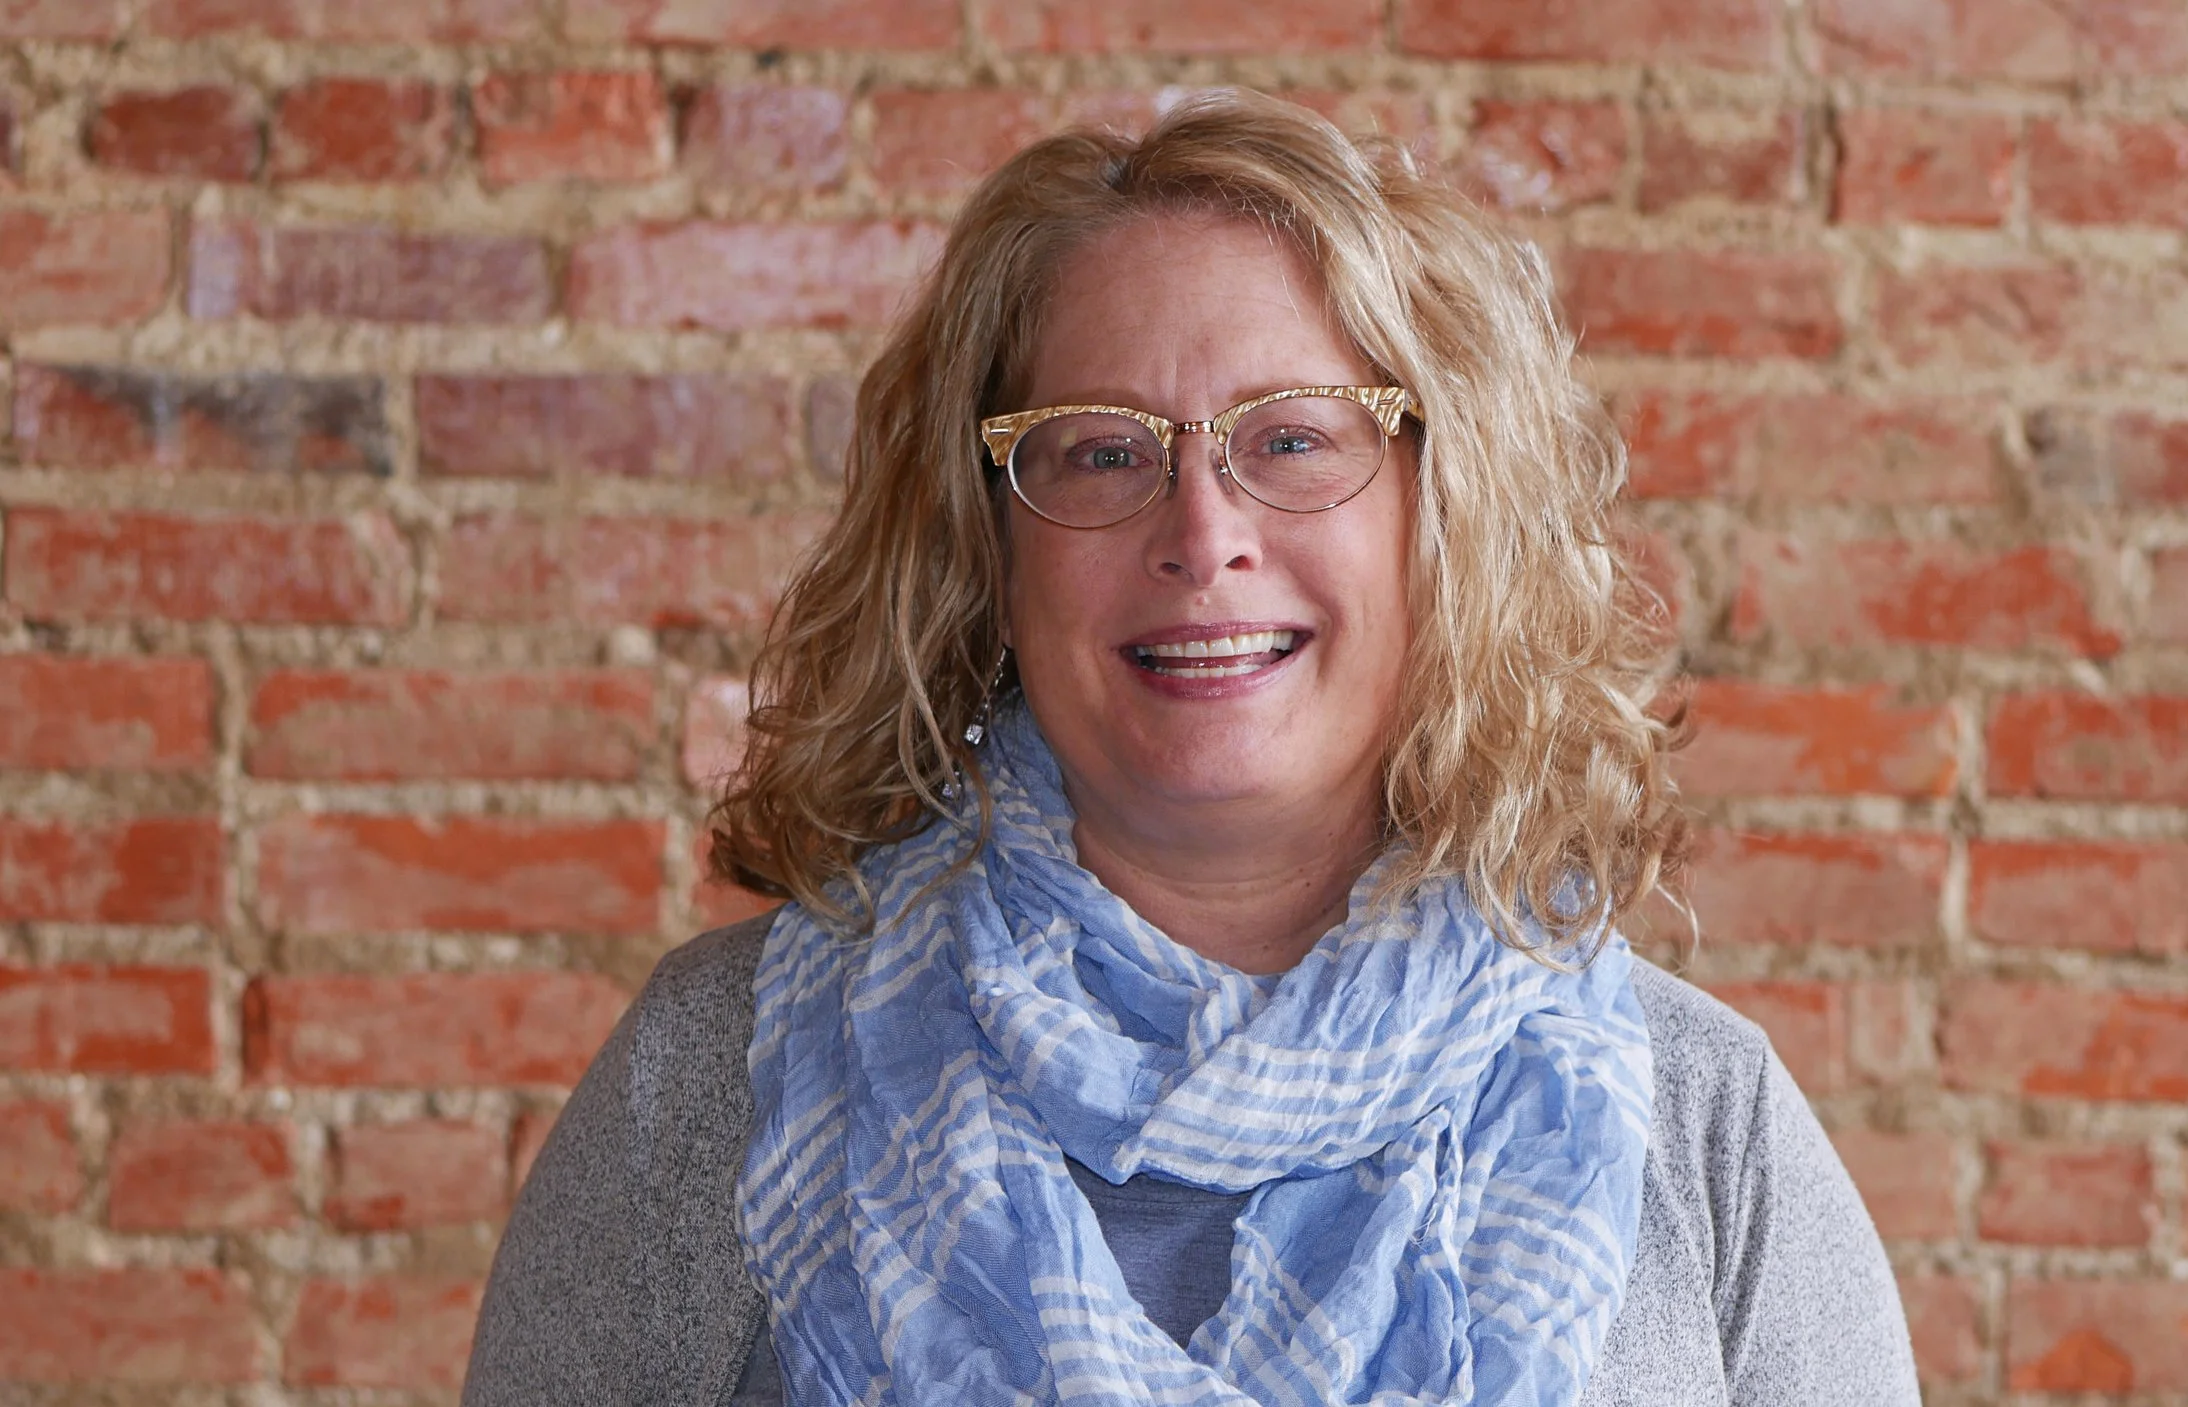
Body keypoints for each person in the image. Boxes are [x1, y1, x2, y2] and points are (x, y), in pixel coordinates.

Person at [464, 90, 1918, 1407]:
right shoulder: (719, 1079)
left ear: (1440, 514)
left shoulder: (1701, 1122)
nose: (1204, 533)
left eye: (1292, 440)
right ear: (989, 547)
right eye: (1101, 449)